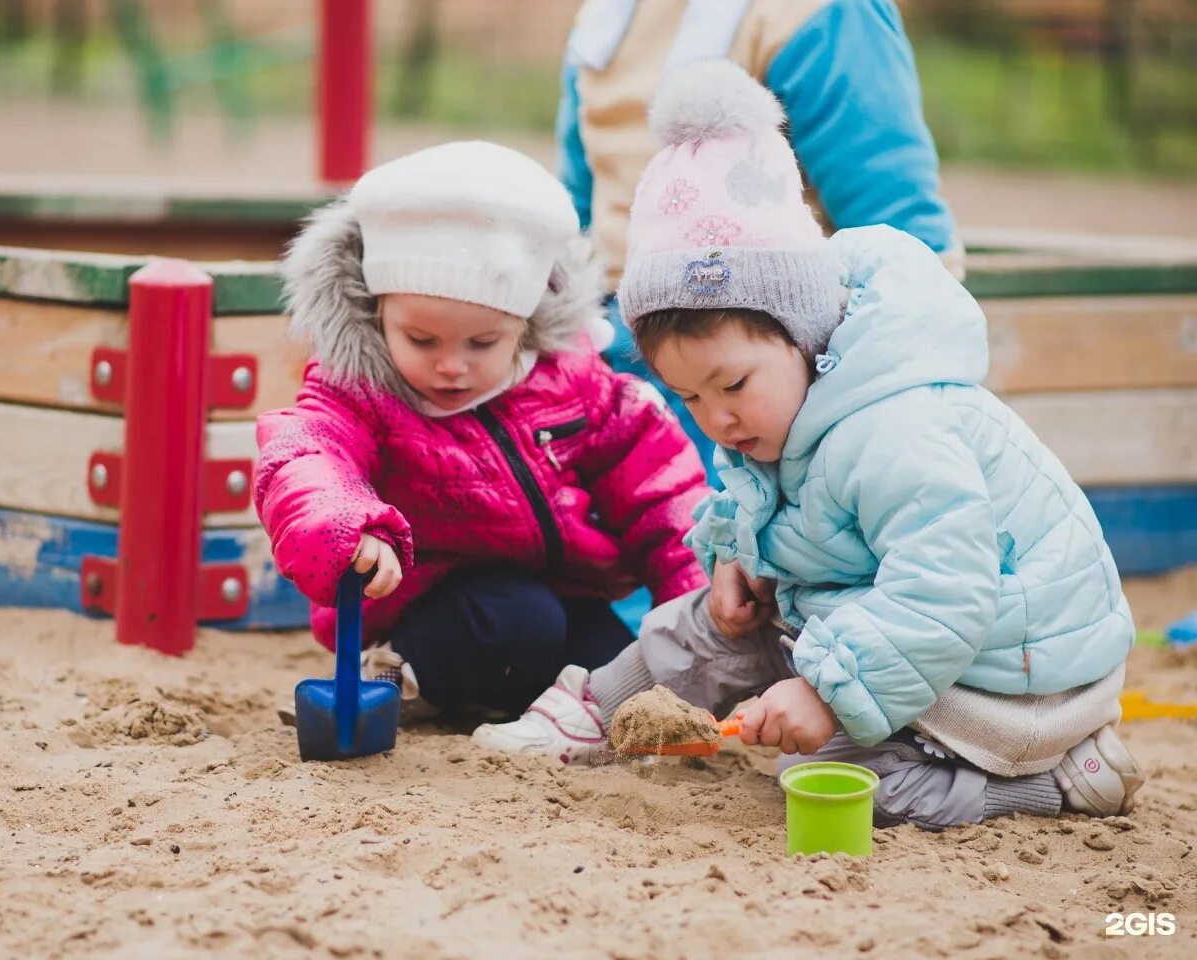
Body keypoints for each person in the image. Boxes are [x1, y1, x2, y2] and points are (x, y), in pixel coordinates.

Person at [474, 61, 1144, 828]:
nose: (716, 418)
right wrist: (738, 562)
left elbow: (946, 590)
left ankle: (1059, 782)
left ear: (804, 335)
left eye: (732, 385)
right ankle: (595, 708)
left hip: (1010, 681)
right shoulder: (786, 408)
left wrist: (826, 692)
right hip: (881, 627)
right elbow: (796, 518)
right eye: (689, 396)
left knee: (835, 778)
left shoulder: (895, 428)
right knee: (714, 622)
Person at [255, 141, 708, 723]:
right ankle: (397, 671)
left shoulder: (571, 379)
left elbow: (659, 485)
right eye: (422, 340)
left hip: (559, 590)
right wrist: (347, 527)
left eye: (482, 343)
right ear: (377, 311)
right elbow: (306, 455)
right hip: (430, 605)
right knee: (514, 620)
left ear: (523, 323)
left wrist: (695, 593)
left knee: (613, 664)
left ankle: (514, 700)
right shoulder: (360, 389)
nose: (451, 365)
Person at [559, 0, 966, 487]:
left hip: (765, 352)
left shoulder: (814, 14)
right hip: (625, 351)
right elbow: (579, 218)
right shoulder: (605, 18)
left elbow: (902, 234)